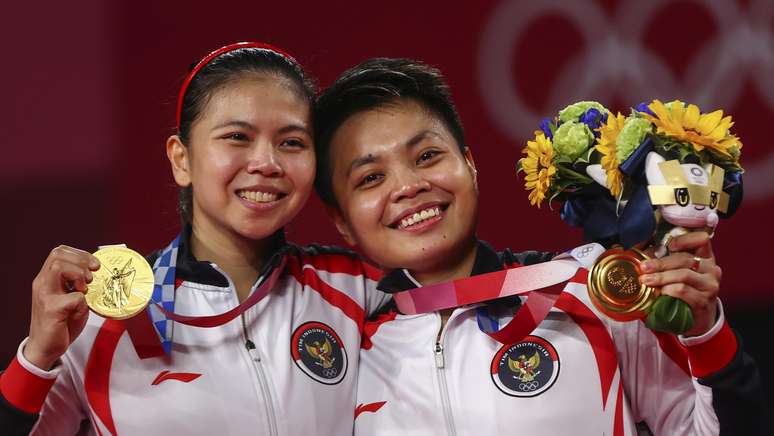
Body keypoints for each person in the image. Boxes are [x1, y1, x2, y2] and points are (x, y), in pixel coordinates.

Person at [313, 58, 767, 435]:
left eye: (427, 156)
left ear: (470, 166)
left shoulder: (595, 294)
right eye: (371, 178)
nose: (409, 186)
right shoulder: (345, 360)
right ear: (342, 222)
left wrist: (704, 332)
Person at [0, 42, 387, 436]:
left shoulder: (358, 289)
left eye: (291, 142)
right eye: (237, 136)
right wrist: (37, 358)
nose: (267, 163)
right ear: (181, 160)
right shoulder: (99, 319)